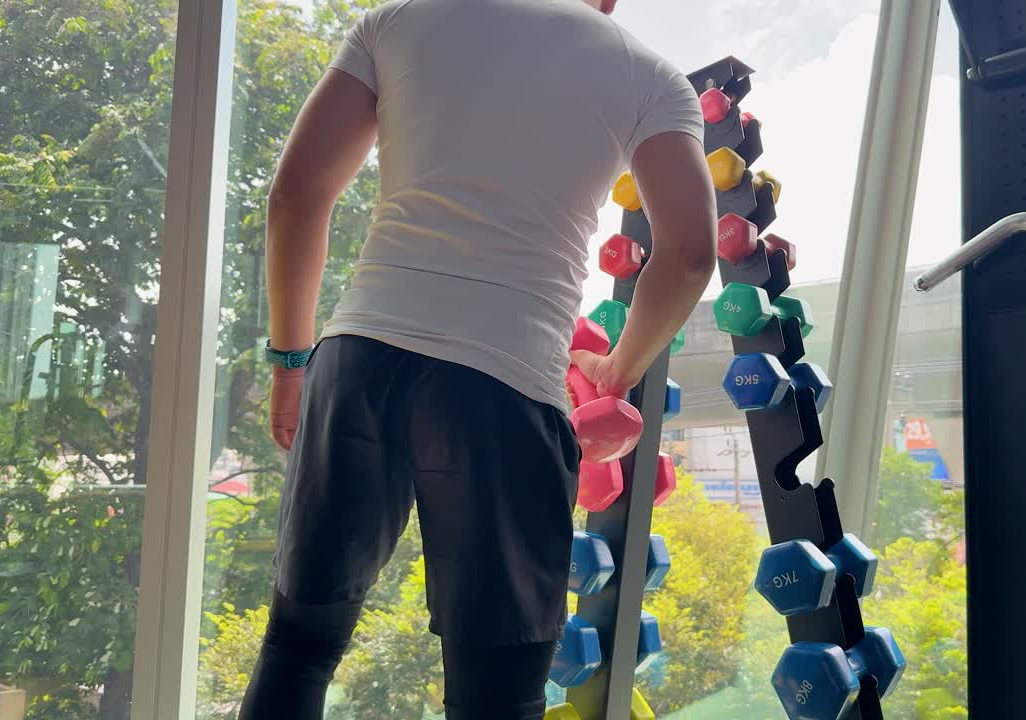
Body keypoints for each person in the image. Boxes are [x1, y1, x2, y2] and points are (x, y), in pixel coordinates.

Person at [239, 0, 717, 718]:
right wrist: (615, 373)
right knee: (497, 699)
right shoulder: (650, 74)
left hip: (359, 361)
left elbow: (297, 196)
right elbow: (688, 256)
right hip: (505, 382)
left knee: (298, 652)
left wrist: (290, 366)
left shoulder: (397, 20)